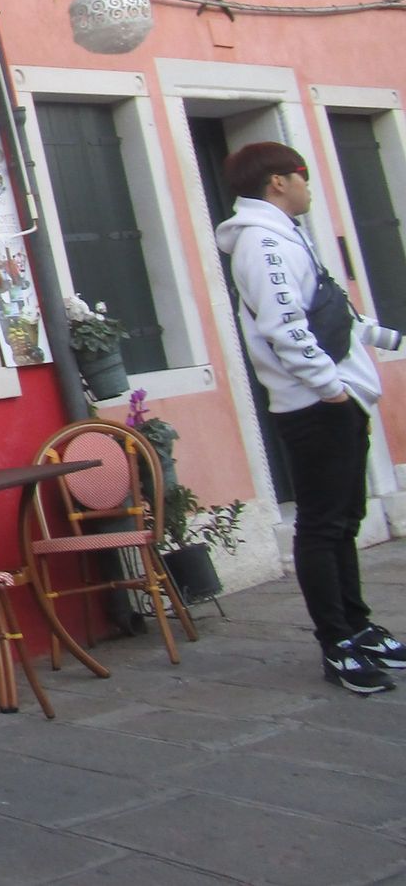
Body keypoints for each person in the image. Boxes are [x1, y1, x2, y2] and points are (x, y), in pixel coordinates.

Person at [215, 141, 406, 695]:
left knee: (344, 521)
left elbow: (334, 312)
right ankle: (337, 644)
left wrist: (391, 341)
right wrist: (332, 390)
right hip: (316, 408)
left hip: (335, 402)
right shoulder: (261, 243)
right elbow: (285, 327)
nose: (308, 184)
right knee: (322, 527)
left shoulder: (286, 235)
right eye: (301, 174)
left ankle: (358, 627)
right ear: (277, 181)